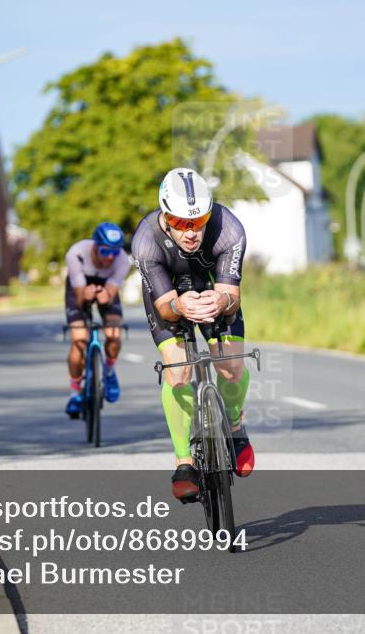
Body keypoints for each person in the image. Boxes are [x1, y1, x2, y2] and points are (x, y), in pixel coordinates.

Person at [131, 168, 254, 503]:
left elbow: (232, 295)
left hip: (212, 289)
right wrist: (181, 306)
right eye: (181, 222)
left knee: (231, 366)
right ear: (165, 217)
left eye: (198, 220)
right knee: (179, 371)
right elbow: (165, 307)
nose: (191, 232)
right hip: (170, 297)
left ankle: (234, 425)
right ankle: (184, 461)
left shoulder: (228, 229)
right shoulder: (145, 240)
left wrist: (223, 300)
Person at [63, 222, 129, 419]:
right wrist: (86, 294)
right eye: (104, 251)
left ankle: (108, 372)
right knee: (79, 338)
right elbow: (79, 294)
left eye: (114, 252)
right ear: (94, 246)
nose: (110, 257)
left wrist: (106, 296)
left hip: (105, 287)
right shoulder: (76, 253)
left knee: (114, 333)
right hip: (79, 286)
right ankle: (75, 391)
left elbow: (111, 290)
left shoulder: (122, 260)